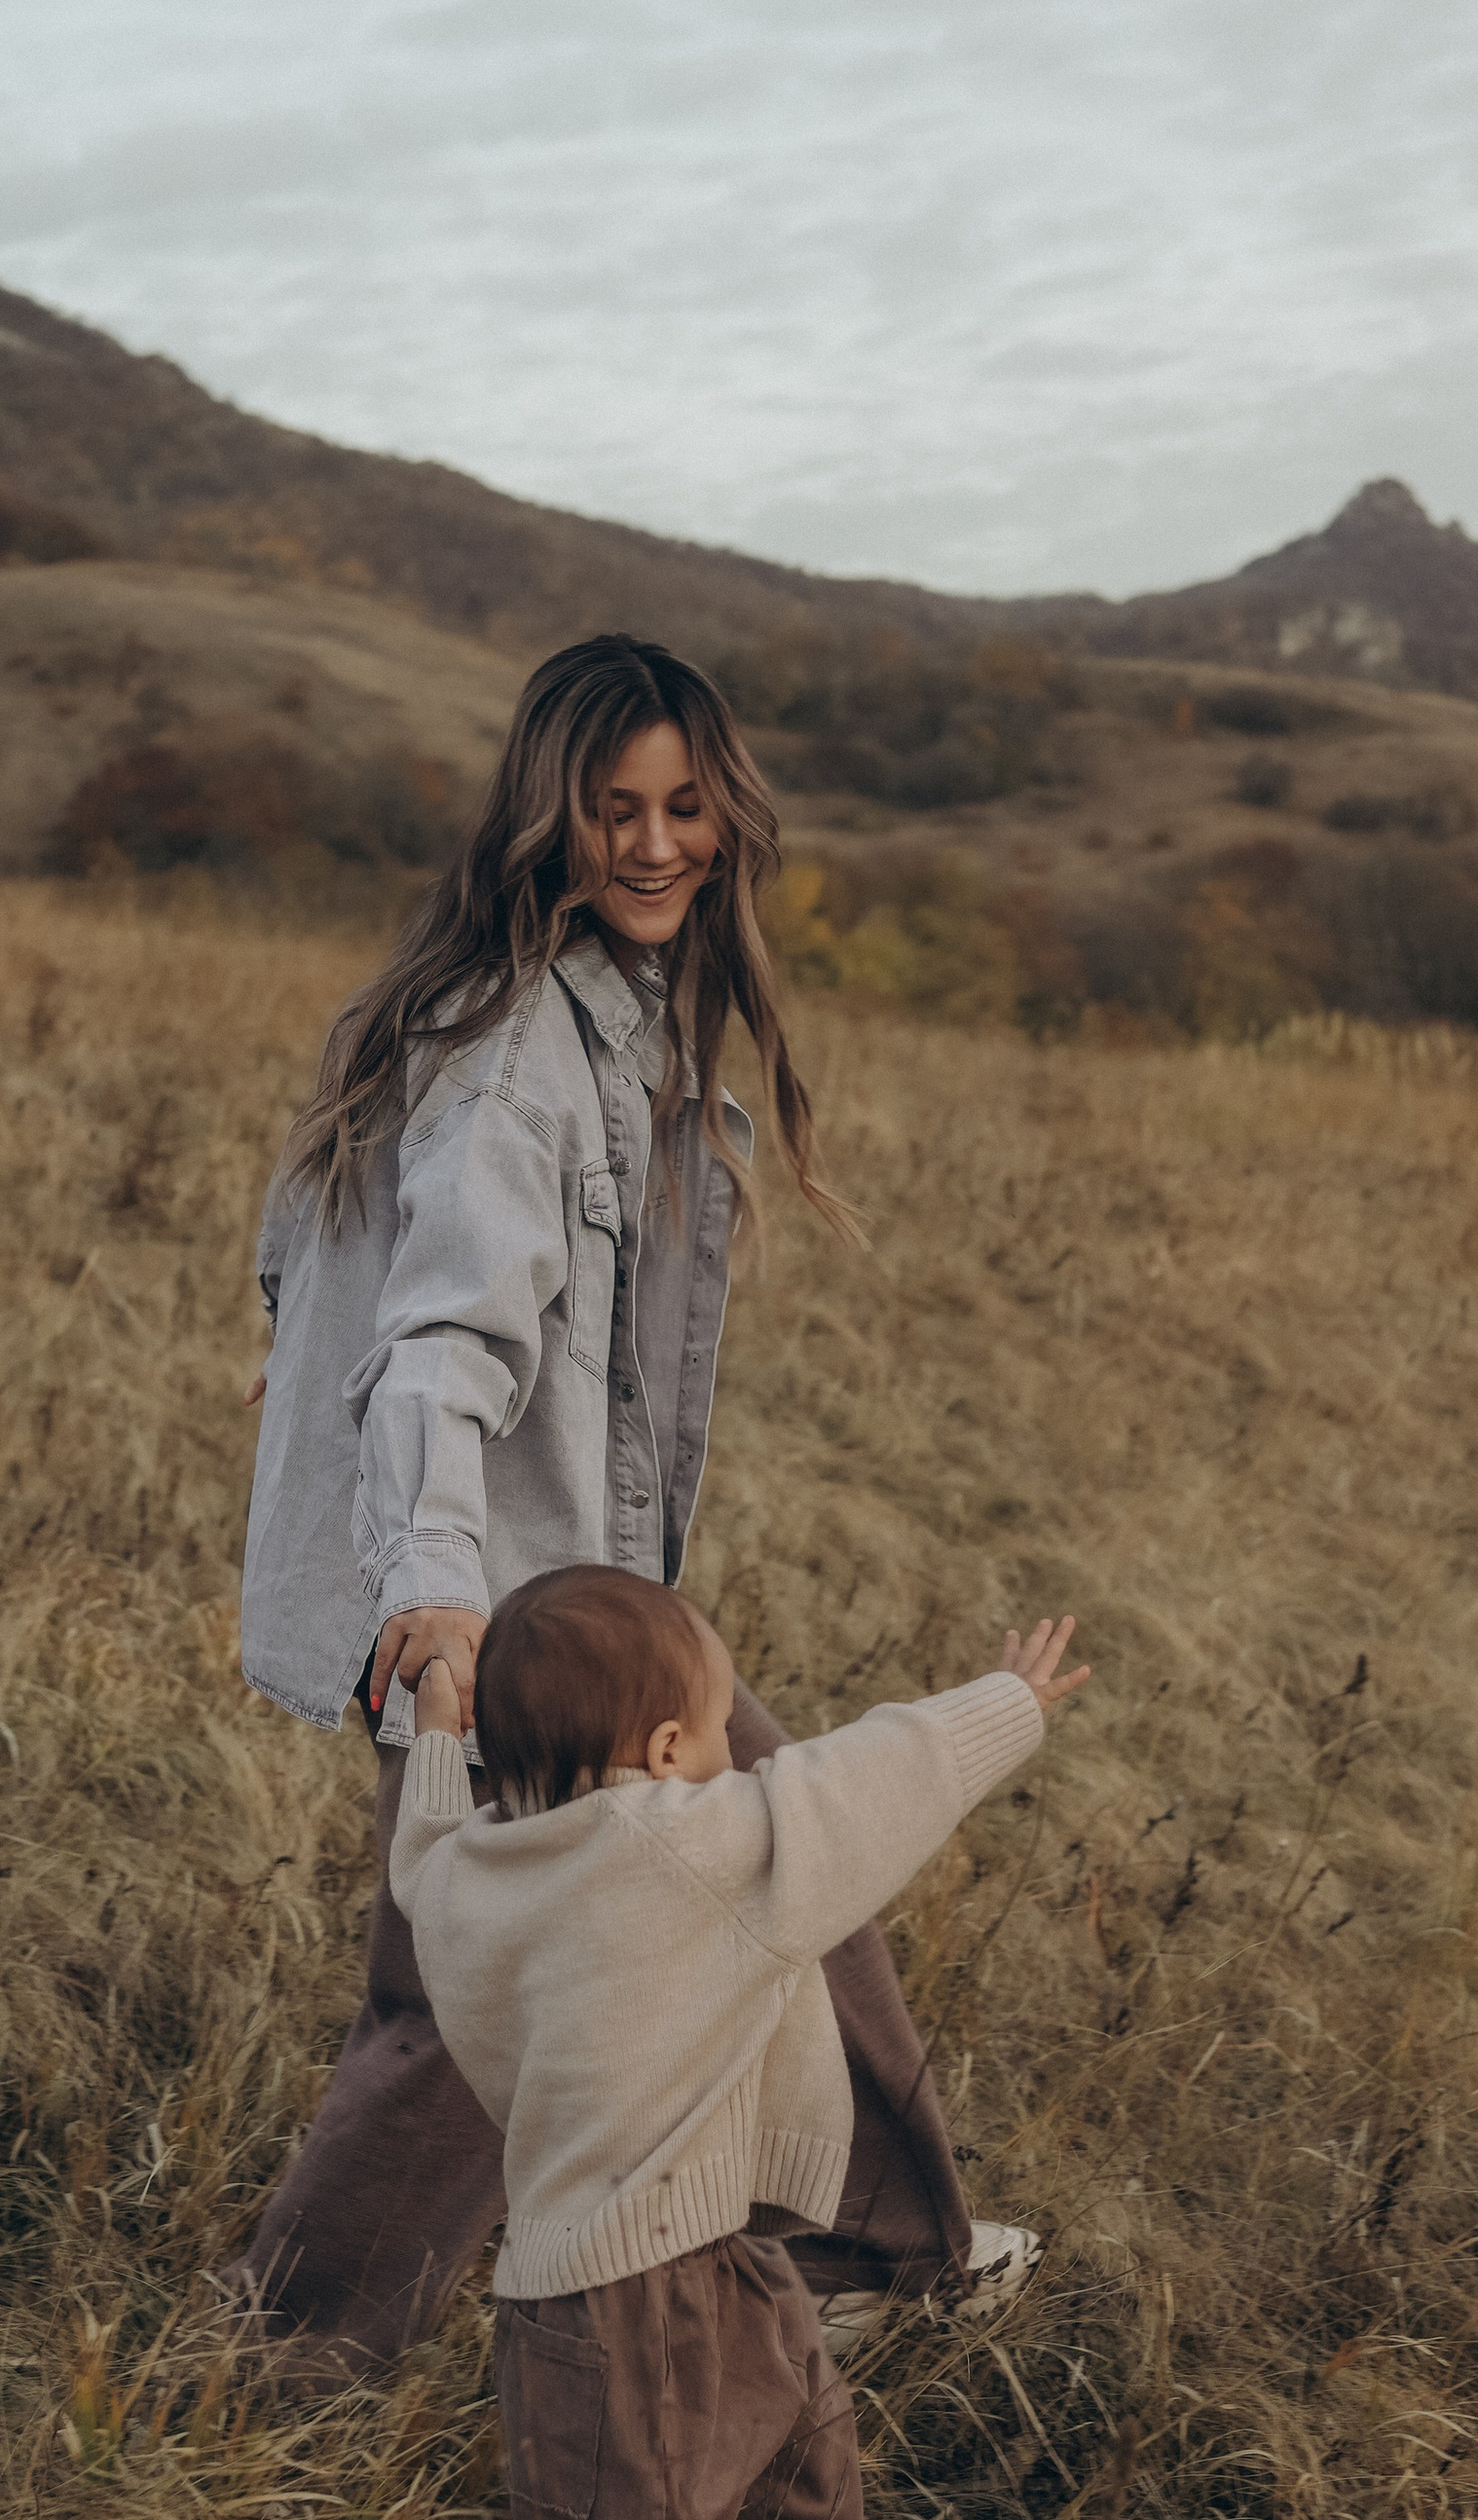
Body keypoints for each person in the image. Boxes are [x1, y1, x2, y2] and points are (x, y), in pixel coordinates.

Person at [232, 632, 1038, 2375]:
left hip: (569, 1594)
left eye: (686, 806)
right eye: (616, 810)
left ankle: (878, 2237)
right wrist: (434, 1597)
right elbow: (439, 1339)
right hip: (489, 1610)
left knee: (772, 1828)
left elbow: (312, 1268)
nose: (657, 843)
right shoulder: (526, 1050)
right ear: (553, 818)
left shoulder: (594, 1012)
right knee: (458, 1999)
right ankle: (274, 2373)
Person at [340, 1569, 1091, 2520]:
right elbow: (860, 1784)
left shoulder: (472, 1883)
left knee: (800, 2427)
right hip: (629, 2300)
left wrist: (447, 1712)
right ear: (676, 1750)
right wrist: (1006, 1702)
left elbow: (423, 1854)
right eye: (714, 1725)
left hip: (675, 2254)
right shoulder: (692, 1848)